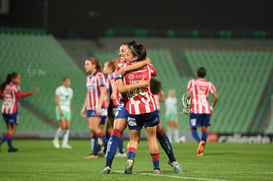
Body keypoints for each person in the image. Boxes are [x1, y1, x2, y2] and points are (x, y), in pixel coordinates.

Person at [117, 43, 161, 174]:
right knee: (152, 138)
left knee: (133, 139)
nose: (126, 56)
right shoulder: (148, 67)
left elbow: (121, 86)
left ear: (134, 56)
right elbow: (155, 72)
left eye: (128, 54)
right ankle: (156, 168)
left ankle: (130, 160)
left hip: (133, 109)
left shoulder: (123, 68)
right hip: (149, 107)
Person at [0, 73, 39, 152]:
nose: (20, 80)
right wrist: (32, 92)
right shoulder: (15, 87)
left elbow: (0, 94)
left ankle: (10, 147)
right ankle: (1, 141)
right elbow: (20, 95)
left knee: (8, 129)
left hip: (4, 109)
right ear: (13, 79)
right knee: (13, 130)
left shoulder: (6, 86)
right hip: (12, 111)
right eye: (18, 78)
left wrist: (4, 99)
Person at [184, 67, 218, 156]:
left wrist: (186, 107)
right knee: (204, 129)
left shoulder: (192, 82)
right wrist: (211, 108)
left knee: (193, 128)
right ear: (204, 74)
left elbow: (188, 96)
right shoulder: (209, 84)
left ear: (197, 74)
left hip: (195, 109)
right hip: (206, 110)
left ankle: (200, 142)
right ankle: (201, 150)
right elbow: (215, 97)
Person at [151, 79, 182, 173]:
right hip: (153, 111)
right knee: (157, 136)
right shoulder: (154, 86)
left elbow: (162, 99)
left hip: (152, 111)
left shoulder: (151, 85)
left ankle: (161, 165)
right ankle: (171, 161)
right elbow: (163, 100)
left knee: (154, 136)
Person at [81, 57, 108, 159]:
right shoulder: (89, 77)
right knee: (92, 130)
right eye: (85, 64)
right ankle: (94, 153)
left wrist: (99, 107)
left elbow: (103, 93)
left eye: (88, 64)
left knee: (94, 128)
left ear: (94, 65)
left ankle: (108, 148)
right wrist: (84, 107)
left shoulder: (99, 76)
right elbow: (89, 94)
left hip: (98, 107)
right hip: (90, 107)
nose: (85, 66)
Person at [103, 60, 126, 157]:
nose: (104, 68)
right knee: (108, 128)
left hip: (115, 104)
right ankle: (108, 149)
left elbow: (114, 89)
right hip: (110, 105)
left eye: (105, 66)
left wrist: (113, 94)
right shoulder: (109, 76)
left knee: (115, 129)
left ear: (110, 67)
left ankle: (121, 151)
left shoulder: (113, 76)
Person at [53, 77, 73, 149]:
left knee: (67, 127)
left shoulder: (71, 90)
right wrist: (60, 109)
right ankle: (55, 140)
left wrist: (70, 111)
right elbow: (57, 100)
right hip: (61, 108)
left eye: (69, 81)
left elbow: (70, 101)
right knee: (63, 127)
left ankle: (65, 143)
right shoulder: (59, 89)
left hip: (67, 109)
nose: (68, 82)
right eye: (67, 81)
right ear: (63, 82)